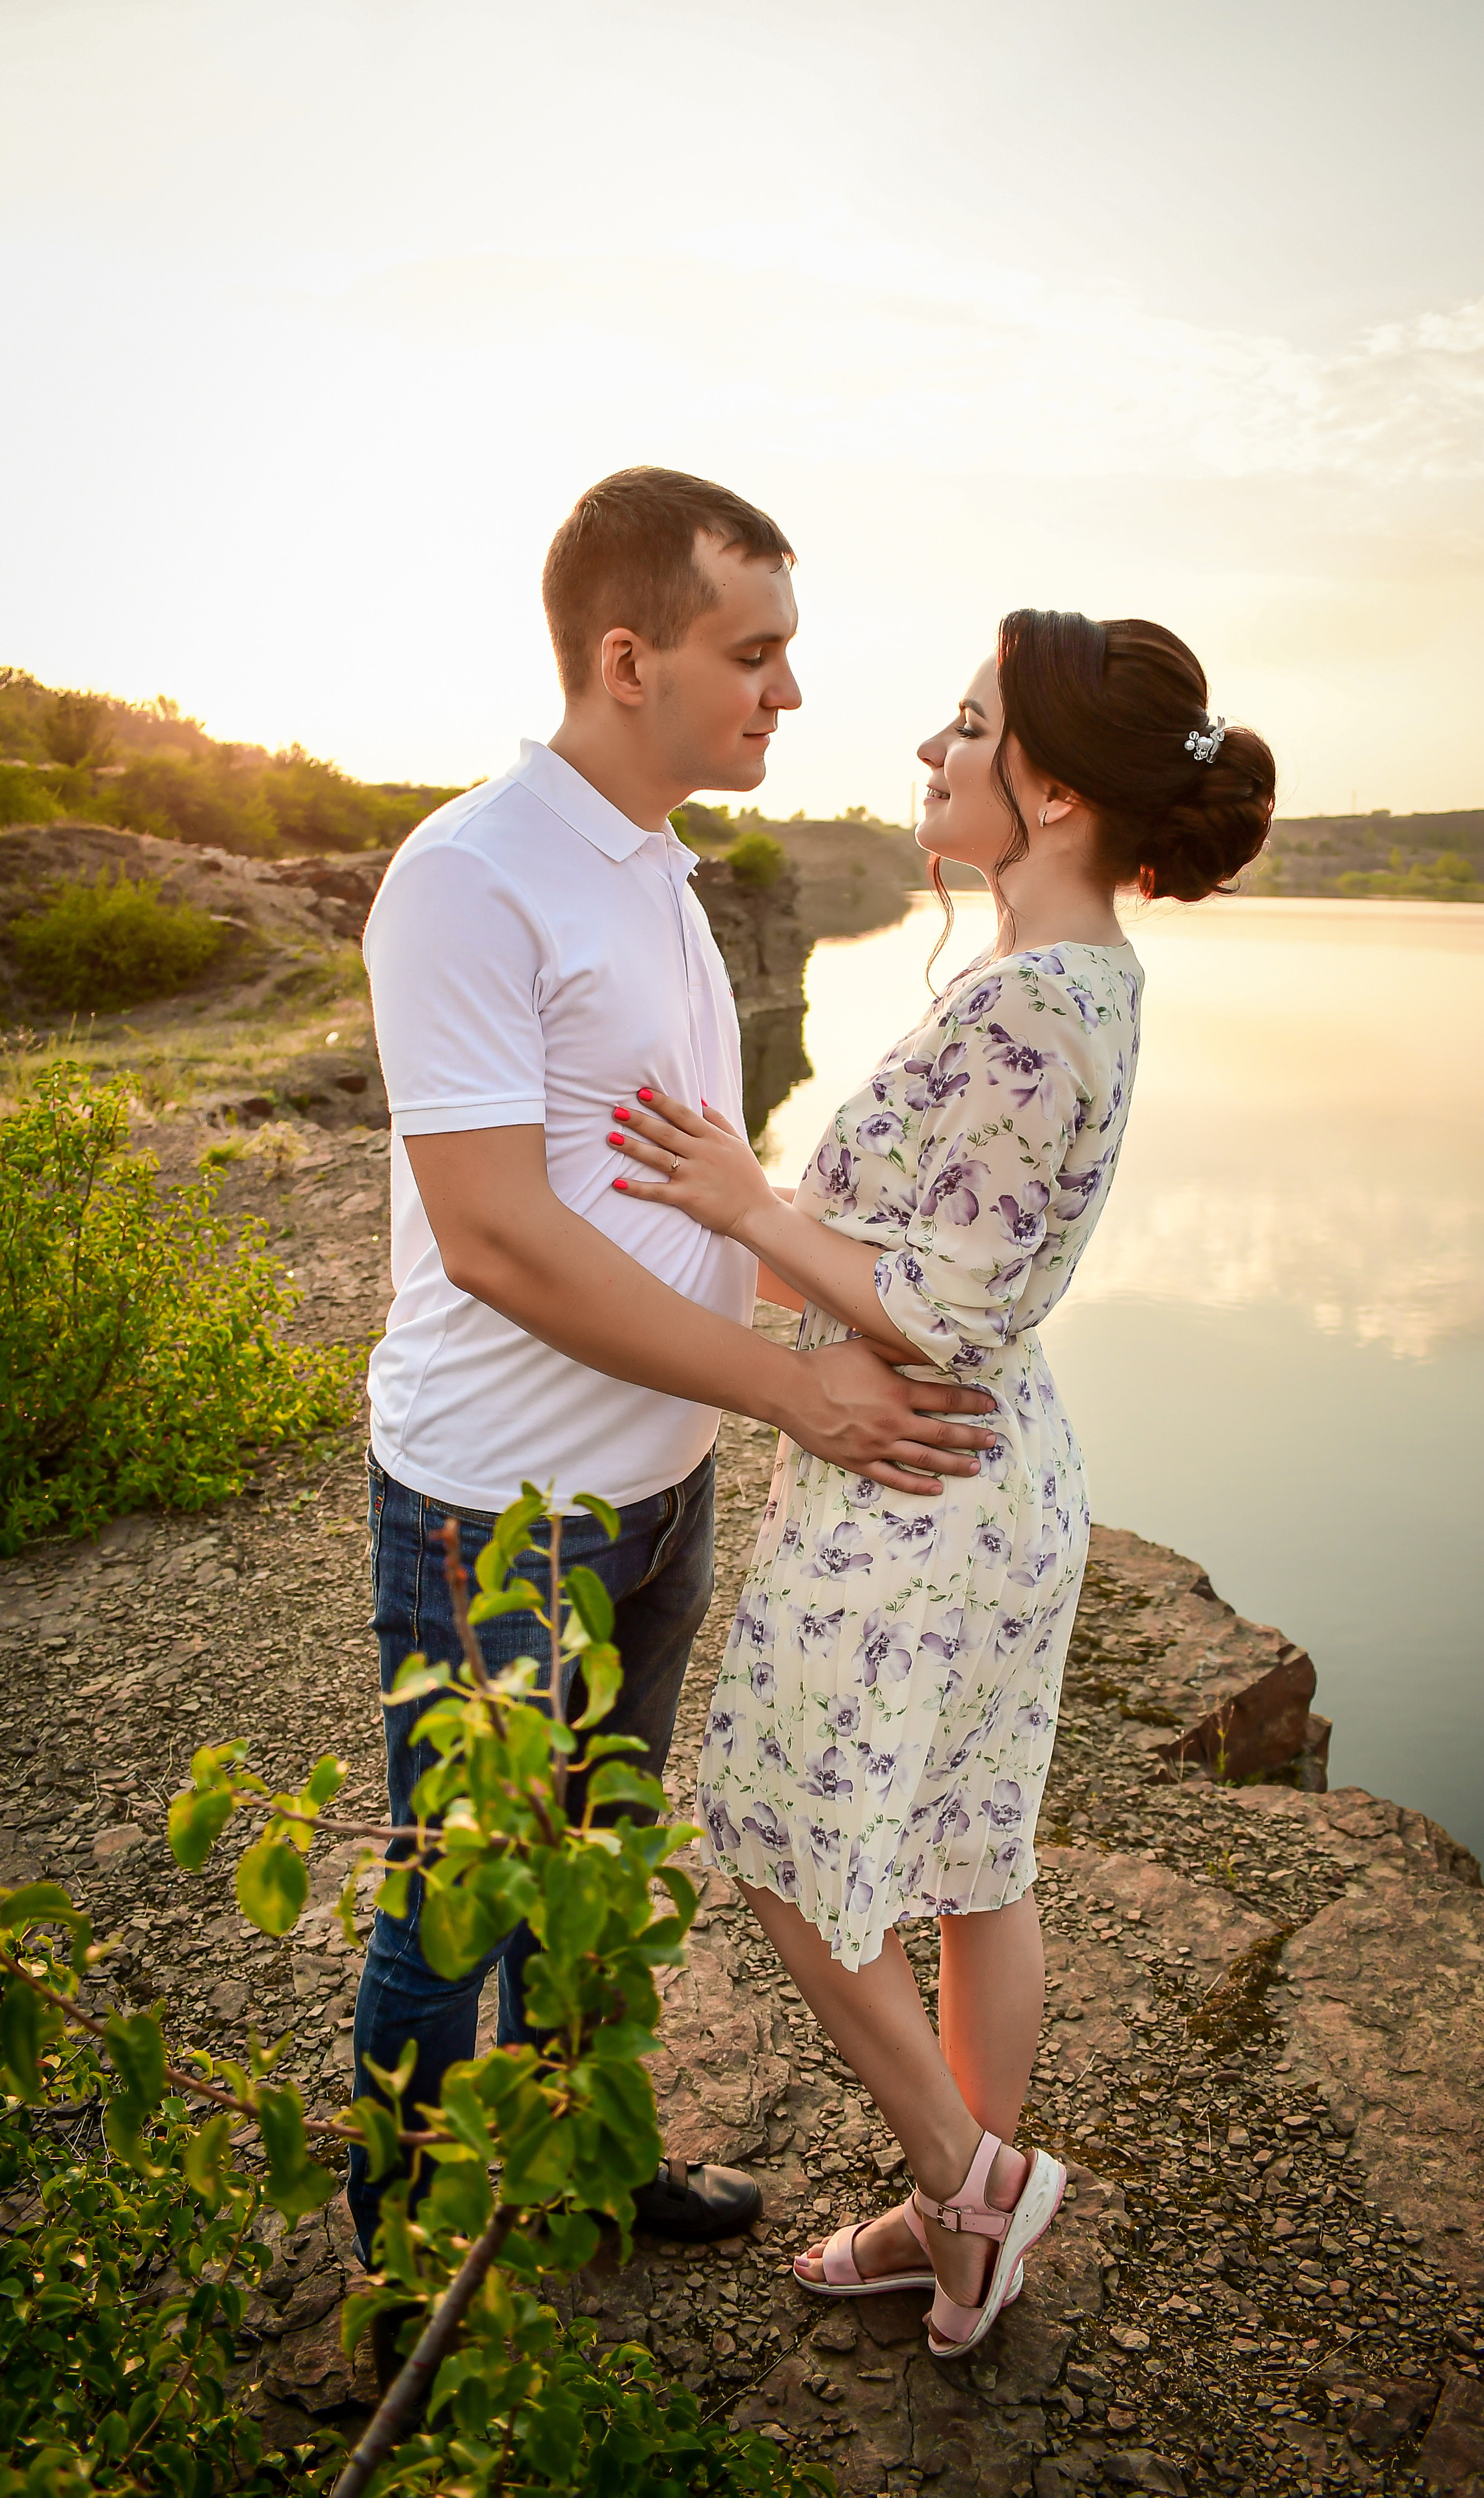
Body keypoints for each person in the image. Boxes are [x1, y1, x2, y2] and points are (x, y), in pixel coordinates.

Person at [605, 608, 1275, 2354]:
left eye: (964, 727)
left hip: (925, 1475)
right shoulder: (1074, 975)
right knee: (976, 1862)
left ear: (1048, 792)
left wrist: (747, 1209)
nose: (928, 751)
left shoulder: (1036, 1004)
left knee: (776, 1835)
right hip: (986, 1472)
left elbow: (949, 1306)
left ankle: (968, 2179)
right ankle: (959, 2229)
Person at [348, 467, 1000, 2261]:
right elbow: (493, 1234)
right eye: (756, 652)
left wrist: (855, 1314)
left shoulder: (658, 870)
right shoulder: (471, 877)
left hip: (657, 1487)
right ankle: (405, 2267)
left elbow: (684, 1187)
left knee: (603, 1869)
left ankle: (584, 2174)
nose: (789, 691)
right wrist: (792, 1388)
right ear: (627, 659)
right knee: (455, 1907)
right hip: (499, 1505)